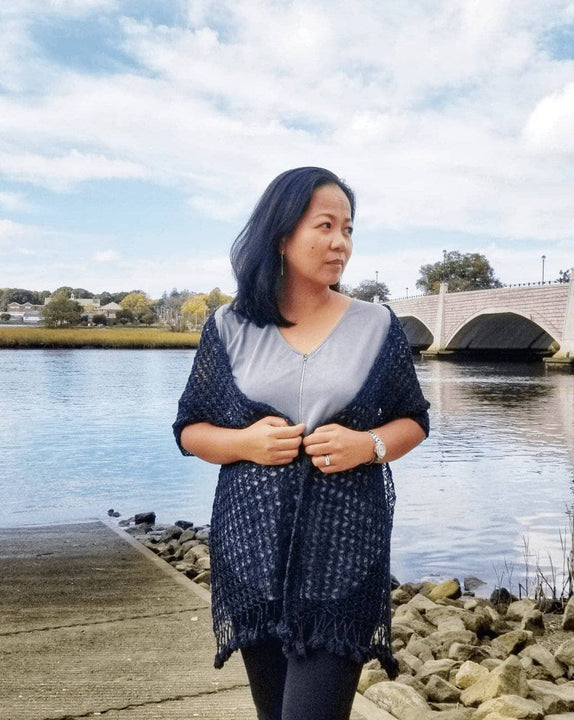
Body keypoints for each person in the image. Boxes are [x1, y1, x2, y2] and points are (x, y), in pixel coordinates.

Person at [173, 167, 429, 720]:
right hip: (251, 560)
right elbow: (190, 430)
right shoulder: (228, 326)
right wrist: (244, 443)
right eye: (326, 226)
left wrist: (370, 446)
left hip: (342, 563)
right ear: (283, 235)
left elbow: (414, 419)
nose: (341, 242)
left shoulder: (378, 326)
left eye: (349, 228)